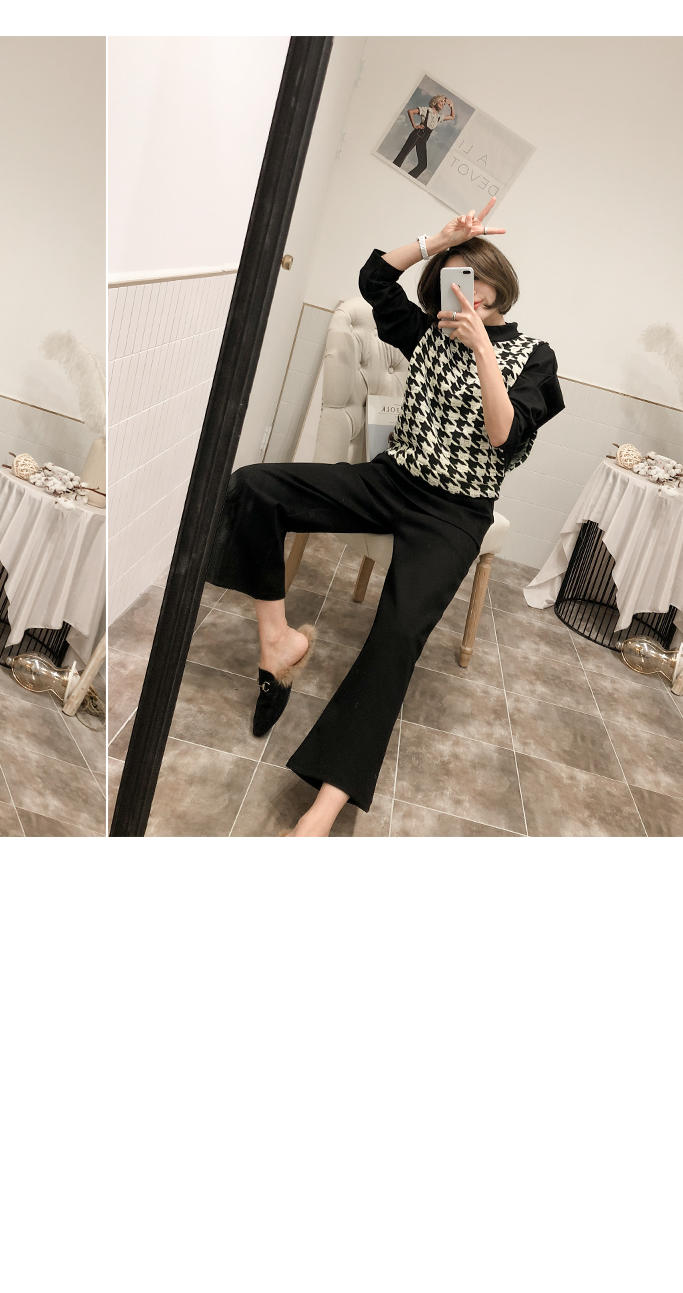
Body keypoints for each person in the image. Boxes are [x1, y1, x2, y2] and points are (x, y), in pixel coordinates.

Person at [206, 198, 564, 837]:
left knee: (397, 635)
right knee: (255, 488)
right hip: (390, 480)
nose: (470, 292)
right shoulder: (424, 330)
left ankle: (321, 813)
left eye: (479, 279)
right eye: (457, 281)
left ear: (500, 283)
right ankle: (277, 642)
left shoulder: (535, 357)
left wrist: (483, 347)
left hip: (454, 514)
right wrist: (439, 241)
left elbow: (503, 435)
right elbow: (374, 278)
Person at [392, 93, 455, 181]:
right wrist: (414, 125)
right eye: (441, 101)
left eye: (444, 104)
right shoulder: (427, 110)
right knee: (403, 155)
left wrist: (451, 106)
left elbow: (452, 116)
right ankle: (391, 173)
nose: (443, 104)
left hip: (424, 139)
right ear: (436, 101)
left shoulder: (438, 117)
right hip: (417, 134)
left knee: (423, 165)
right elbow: (410, 111)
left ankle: (407, 179)